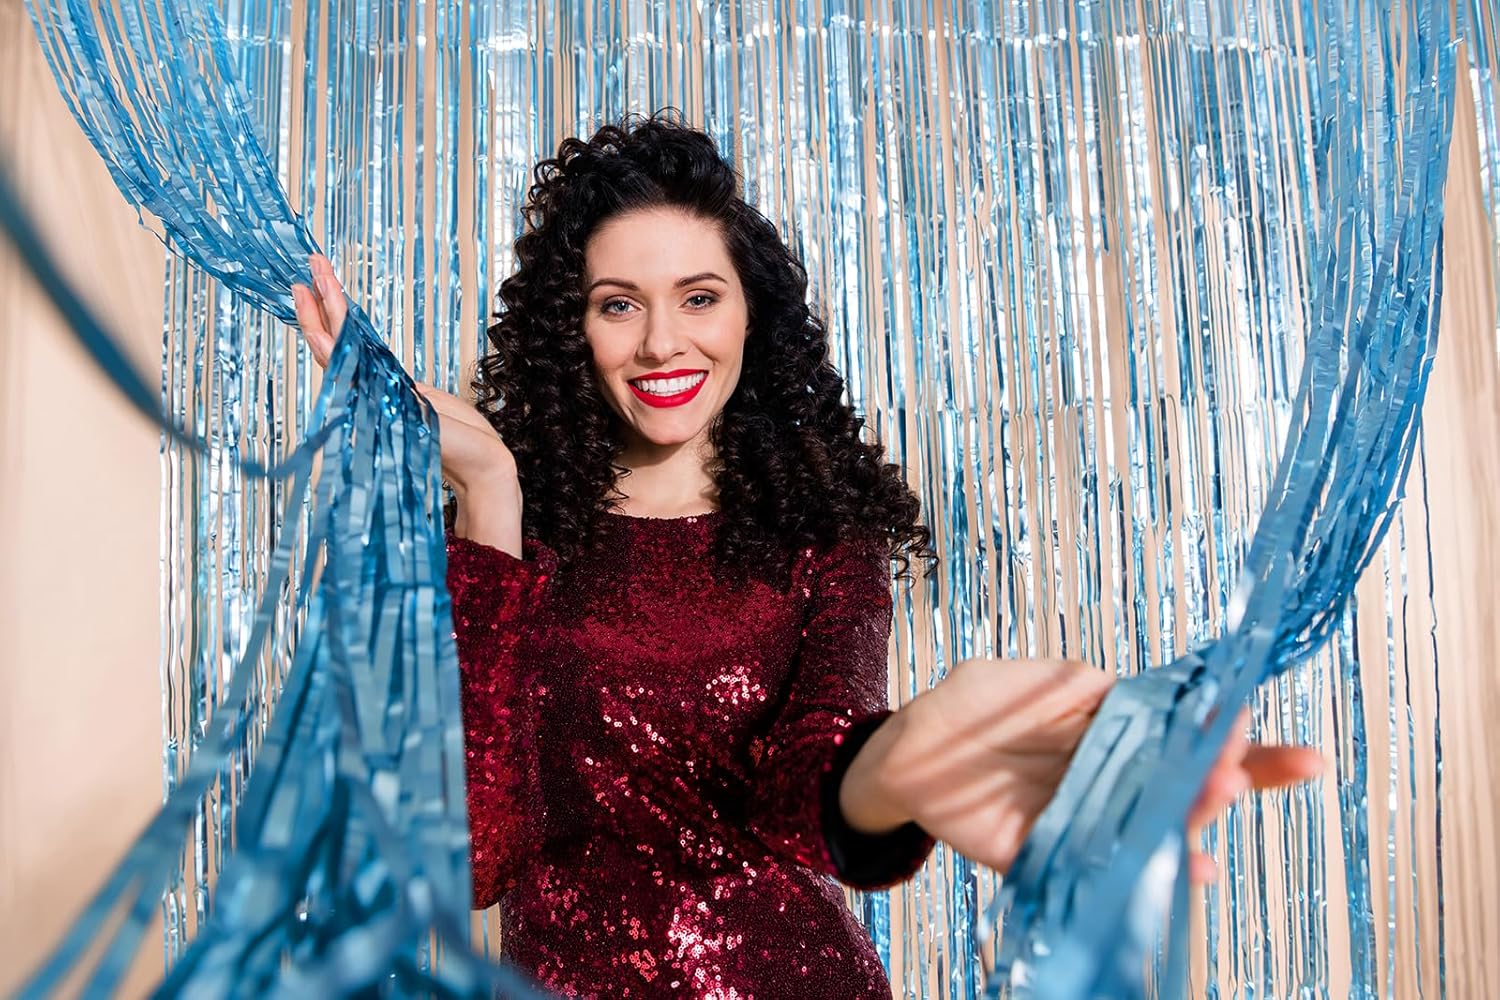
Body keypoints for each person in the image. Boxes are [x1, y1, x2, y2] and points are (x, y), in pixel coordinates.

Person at [290, 114, 1322, 999]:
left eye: (699, 296)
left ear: (752, 312)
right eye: (619, 303)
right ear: (575, 330)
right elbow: (473, 858)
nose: (662, 343)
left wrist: (905, 757)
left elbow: (805, 783)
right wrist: (489, 491)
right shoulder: (500, 550)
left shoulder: (823, 536)